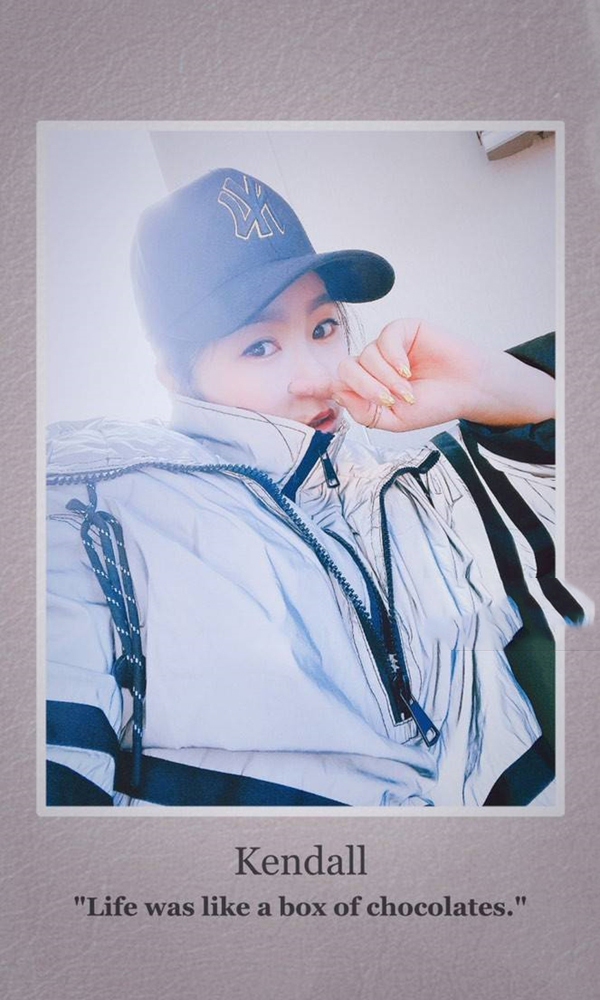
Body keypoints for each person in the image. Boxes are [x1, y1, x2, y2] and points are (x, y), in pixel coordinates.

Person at [46, 167, 587, 808]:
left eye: (324, 327)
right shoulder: (90, 519)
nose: (318, 377)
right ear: (172, 373)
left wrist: (500, 388)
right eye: (259, 347)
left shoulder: (403, 494)